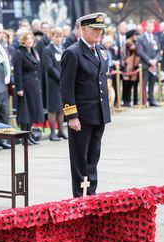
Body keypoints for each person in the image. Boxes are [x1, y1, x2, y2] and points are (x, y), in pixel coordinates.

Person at [60, 13, 110, 197]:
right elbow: (66, 87)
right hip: (82, 115)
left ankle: (91, 192)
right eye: (95, 29)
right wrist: (72, 116)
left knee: (93, 156)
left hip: (99, 113)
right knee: (80, 158)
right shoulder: (73, 52)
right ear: (83, 29)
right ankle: (79, 195)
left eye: (100, 30)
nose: (99, 33)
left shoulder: (100, 51)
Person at [12, 32, 44, 145]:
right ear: (23, 41)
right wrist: (19, 88)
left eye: (31, 38)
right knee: (25, 113)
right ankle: (24, 137)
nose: (30, 40)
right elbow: (17, 73)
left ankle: (29, 135)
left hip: (34, 85)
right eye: (27, 39)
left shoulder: (34, 52)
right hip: (25, 85)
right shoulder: (19, 53)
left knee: (31, 111)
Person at [42, 27, 67, 141]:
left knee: (61, 108)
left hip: (63, 83)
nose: (59, 39)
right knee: (53, 109)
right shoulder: (48, 50)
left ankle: (61, 131)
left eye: (60, 36)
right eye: (56, 36)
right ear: (51, 37)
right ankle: (52, 132)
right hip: (53, 82)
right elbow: (50, 67)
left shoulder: (62, 49)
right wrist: (61, 78)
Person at [136, 21, 161, 106]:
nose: (150, 28)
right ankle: (144, 100)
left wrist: (155, 60)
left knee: (152, 83)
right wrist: (149, 60)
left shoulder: (156, 38)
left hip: (154, 65)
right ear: (145, 27)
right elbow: (140, 51)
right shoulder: (140, 38)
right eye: (149, 26)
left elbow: (159, 51)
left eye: (152, 26)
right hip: (145, 65)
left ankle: (151, 100)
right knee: (144, 83)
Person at [123, 30, 140, 106]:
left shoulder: (136, 43)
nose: (136, 37)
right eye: (135, 35)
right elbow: (133, 48)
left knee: (135, 84)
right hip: (128, 66)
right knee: (127, 84)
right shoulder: (128, 43)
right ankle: (126, 101)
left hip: (135, 66)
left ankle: (135, 101)